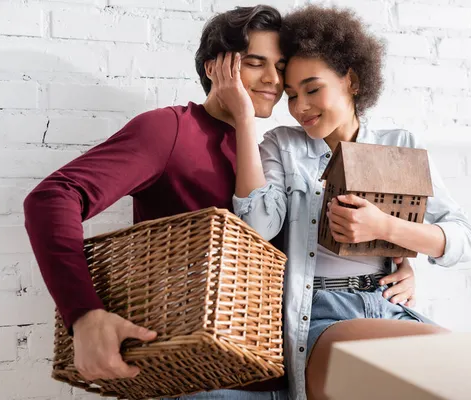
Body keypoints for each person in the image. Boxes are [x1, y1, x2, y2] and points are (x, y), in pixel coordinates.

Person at [23, 5, 290, 399]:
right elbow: (52, 199)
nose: (273, 79)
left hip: (282, 376)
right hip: (198, 381)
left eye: (281, 67)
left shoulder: (273, 153)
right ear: (214, 67)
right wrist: (83, 314)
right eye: (255, 63)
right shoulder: (170, 129)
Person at [230, 5, 471, 400]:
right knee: (448, 362)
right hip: (320, 312)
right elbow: (258, 227)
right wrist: (246, 119)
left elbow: (464, 241)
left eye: (313, 89)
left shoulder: (399, 145)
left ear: (352, 81)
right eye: (292, 95)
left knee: (465, 371)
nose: (300, 108)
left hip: (387, 304)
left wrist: (388, 230)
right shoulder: (283, 145)